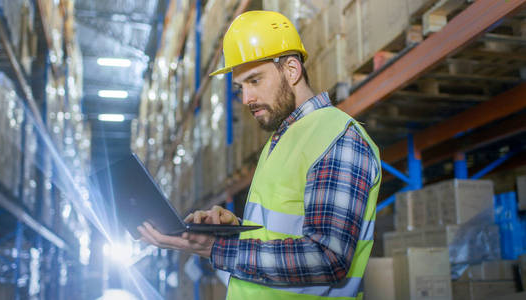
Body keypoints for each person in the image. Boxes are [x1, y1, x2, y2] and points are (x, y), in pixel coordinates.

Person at [138, 10, 381, 300]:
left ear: (292, 70)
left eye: (254, 81)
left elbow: (327, 257)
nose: (246, 99)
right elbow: (283, 234)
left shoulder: (339, 138)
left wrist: (211, 248)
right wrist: (233, 230)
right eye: (240, 87)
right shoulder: (281, 139)